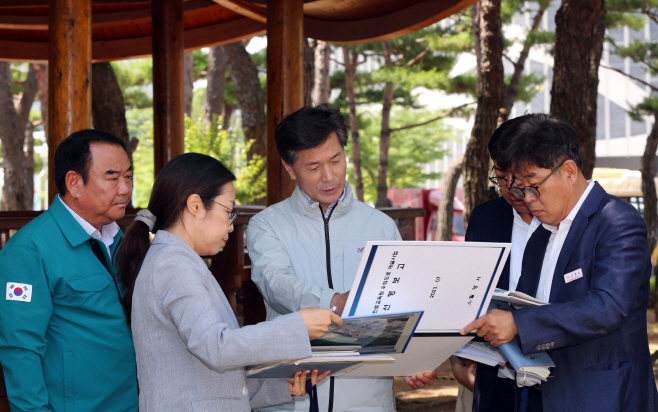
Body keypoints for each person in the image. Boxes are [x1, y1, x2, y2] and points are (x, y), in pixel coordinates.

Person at [461, 113, 658, 411]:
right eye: (516, 187)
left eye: (532, 185)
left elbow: (608, 307)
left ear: (568, 170)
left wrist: (518, 323)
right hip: (532, 394)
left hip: (598, 396)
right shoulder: (547, 227)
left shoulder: (616, 221)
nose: (525, 198)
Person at [116, 153, 341, 412]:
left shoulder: (174, 259)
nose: (231, 226)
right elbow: (217, 347)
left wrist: (279, 385)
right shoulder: (173, 263)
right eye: (228, 211)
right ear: (196, 206)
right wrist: (298, 325)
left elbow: (199, 376)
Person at [246, 105, 436, 412]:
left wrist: (409, 361)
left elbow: (400, 304)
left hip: (367, 397)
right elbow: (276, 285)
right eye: (313, 167)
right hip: (293, 395)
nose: (329, 176)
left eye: (336, 160)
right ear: (290, 168)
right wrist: (334, 302)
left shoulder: (380, 225)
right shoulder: (267, 224)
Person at [0, 130, 137, 411]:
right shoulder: (29, 251)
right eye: (112, 177)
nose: (125, 188)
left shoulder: (120, 239)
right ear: (74, 182)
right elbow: (20, 349)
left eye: (128, 176)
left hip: (133, 401)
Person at [451, 118, 541, 412]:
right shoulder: (486, 219)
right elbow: (468, 293)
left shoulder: (566, 222)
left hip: (558, 382)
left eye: (520, 179)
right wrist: (458, 356)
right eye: (501, 178)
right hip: (494, 380)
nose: (511, 189)